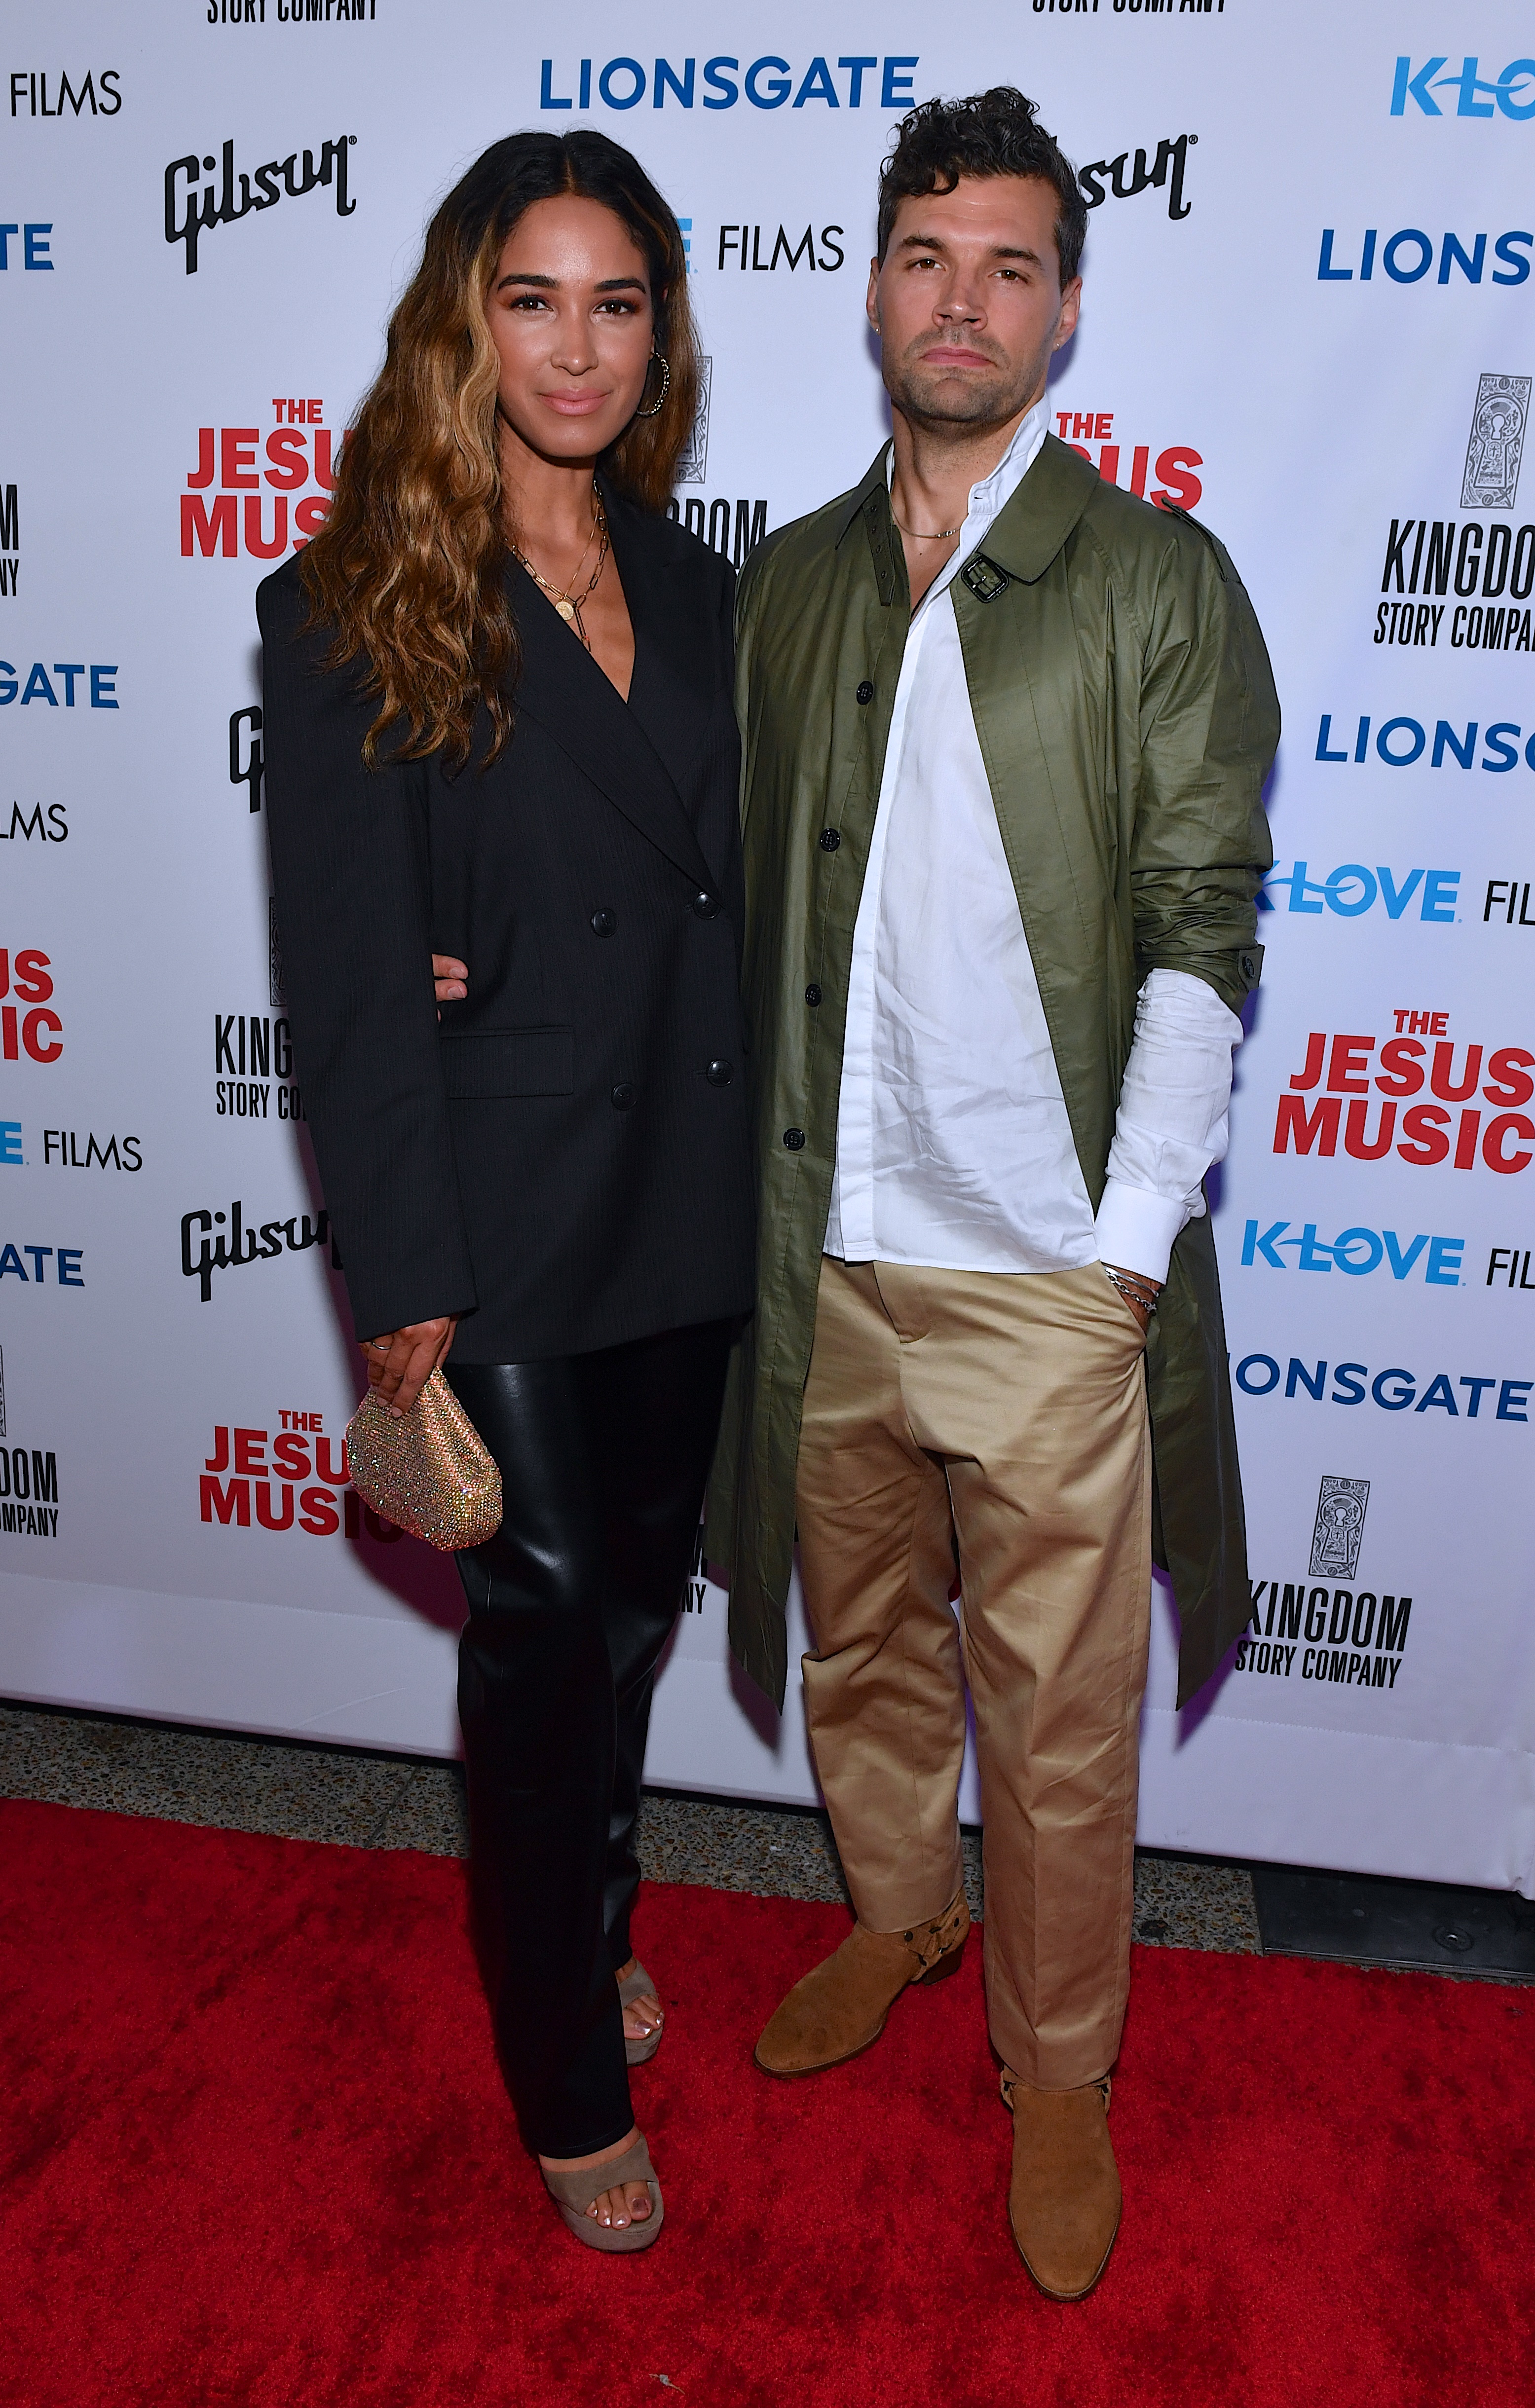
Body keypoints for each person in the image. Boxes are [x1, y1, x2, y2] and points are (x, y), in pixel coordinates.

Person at [705, 88, 1278, 2299]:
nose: (964, 301)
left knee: (1051, 1723)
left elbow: (1197, 925)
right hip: (823, 1263)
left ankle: (1060, 2072)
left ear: (1063, 309)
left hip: (1049, 1283)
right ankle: (891, 1915)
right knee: (863, 1648)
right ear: (872, 282)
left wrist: (1127, 1247)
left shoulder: (1149, 578)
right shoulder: (788, 580)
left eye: (1012, 265)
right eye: (928, 254)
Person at [257, 130, 754, 2254]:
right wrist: (407, 1277)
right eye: (533, 300)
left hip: (695, 1190)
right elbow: (354, 981)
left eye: (617, 302)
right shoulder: (352, 589)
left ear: (662, 336)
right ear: (468, 321)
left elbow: (750, 888)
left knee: (632, 1623)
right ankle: (558, 2070)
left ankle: (584, 1915)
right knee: (545, 1628)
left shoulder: (716, 587)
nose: (576, 346)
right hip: (505, 1212)